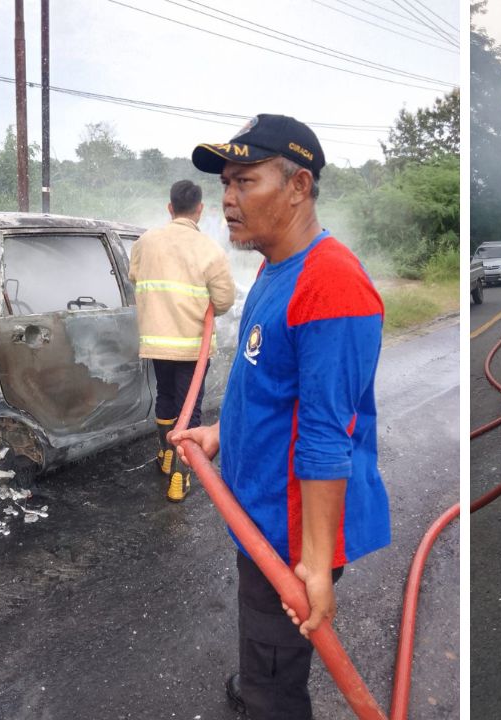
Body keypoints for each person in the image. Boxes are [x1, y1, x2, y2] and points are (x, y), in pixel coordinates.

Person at [171, 114, 389, 718]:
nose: (228, 199)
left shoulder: (332, 284)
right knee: (264, 637)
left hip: (292, 534)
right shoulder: (273, 266)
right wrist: (220, 431)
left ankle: (268, 691)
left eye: (245, 182)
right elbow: (263, 382)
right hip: (260, 515)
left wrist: (315, 566)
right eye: (225, 185)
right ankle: (262, 673)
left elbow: (325, 436)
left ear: (298, 186)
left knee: (274, 691)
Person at [128, 179, 236, 502]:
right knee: (189, 412)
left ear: (169, 207)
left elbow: (135, 276)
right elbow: (225, 300)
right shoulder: (210, 249)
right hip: (192, 347)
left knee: (165, 397)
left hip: (156, 343)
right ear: (200, 210)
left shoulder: (145, 241)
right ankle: (180, 475)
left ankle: (165, 455)